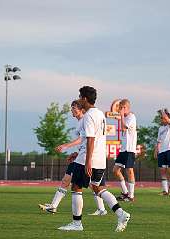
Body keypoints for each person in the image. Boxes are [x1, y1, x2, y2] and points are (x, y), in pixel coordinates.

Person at [58, 86, 130, 232]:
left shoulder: (89, 115)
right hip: (100, 159)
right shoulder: (100, 114)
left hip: (88, 159)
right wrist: (78, 154)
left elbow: (90, 140)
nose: (78, 99)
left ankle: (77, 224)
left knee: (76, 187)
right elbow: (92, 139)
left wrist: (87, 161)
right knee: (98, 188)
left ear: (84, 99)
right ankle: (121, 213)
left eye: (79, 97)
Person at [38, 100, 107, 216]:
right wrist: (76, 153)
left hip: (87, 158)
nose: (72, 110)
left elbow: (84, 139)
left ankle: (104, 209)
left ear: (81, 109)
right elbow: (84, 141)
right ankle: (54, 206)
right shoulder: (81, 121)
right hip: (80, 156)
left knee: (92, 185)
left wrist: (66, 146)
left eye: (74, 108)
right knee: (66, 180)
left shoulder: (85, 120)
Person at [113, 99, 137, 202]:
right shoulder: (125, 118)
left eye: (121, 108)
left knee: (129, 171)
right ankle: (125, 192)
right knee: (115, 170)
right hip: (123, 149)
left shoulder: (131, 117)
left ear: (125, 107)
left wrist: (121, 116)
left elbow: (124, 127)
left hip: (129, 148)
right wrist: (121, 117)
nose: (119, 110)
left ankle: (131, 196)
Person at [154, 109, 170, 195]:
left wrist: (162, 112)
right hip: (162, 152)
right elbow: (159, 141)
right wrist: (156, 150)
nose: (161, 119)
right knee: (163, 171)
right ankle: (165, 191)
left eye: (162, 118)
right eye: (161, 118)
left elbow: (167, 119)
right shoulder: (160, 128)